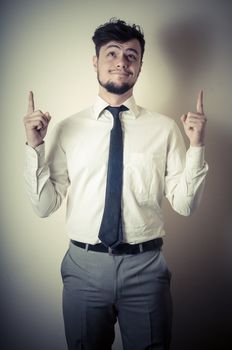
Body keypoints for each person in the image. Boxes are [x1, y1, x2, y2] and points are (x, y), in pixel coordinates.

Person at [23, 18, 208, 350]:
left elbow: (185, 205)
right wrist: (35, 148)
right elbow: (43, 205)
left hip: (146, 270)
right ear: (95, 61)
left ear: (139, 66)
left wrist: (196, 147)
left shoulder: (165, 130)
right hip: (83, 269)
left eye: (131, 55)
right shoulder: (66, 128)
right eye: (111, 53)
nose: (122, 62)